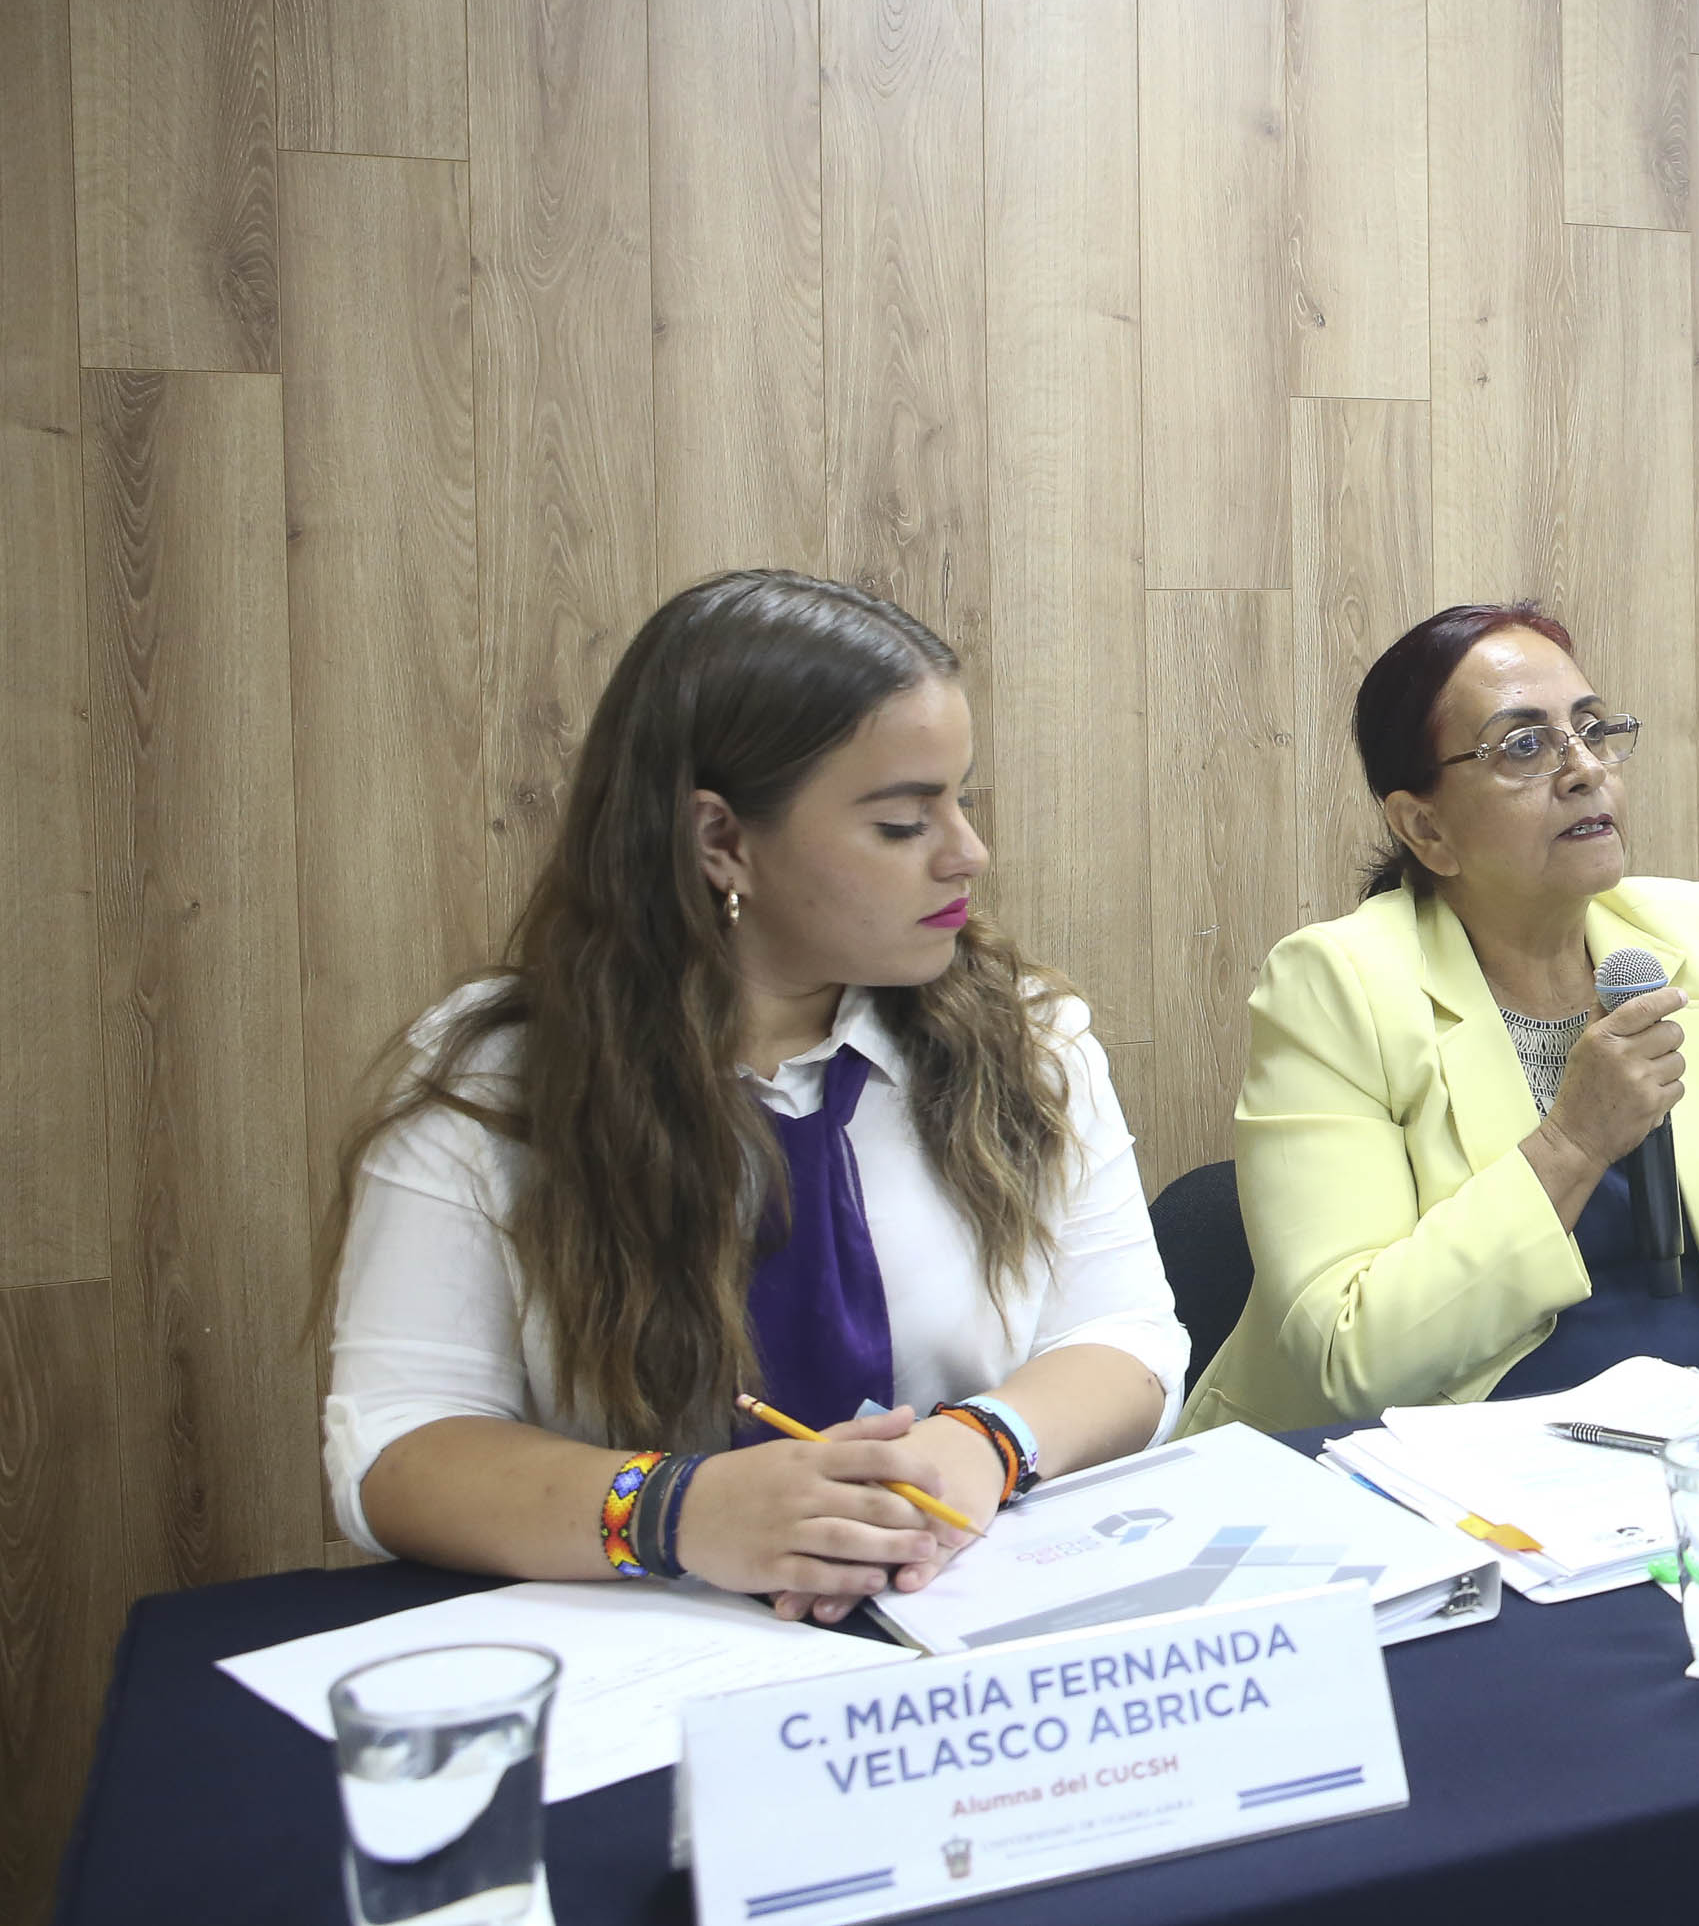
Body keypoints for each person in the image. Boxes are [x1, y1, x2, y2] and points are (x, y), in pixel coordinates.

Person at [323, 573, 1186, 1622]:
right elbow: (398, 1446)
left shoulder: (1028, 1035)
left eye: (961, 800)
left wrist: (983, 1443)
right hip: (651, 1643)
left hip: (965, 1618)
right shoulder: (496, 1081)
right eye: (903, 822)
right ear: (722, 841)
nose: (968, 853)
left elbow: (1129, 1337)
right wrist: (681, 1509)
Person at [1182, 605, 1699, 1434]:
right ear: (1424, 827)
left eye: (1593, 730)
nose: (1583, 770)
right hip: (1454, 1433)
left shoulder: (1698, 933)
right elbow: (1347, 1353)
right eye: (1523, 747)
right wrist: (1574, 1142)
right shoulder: (1336, 984)